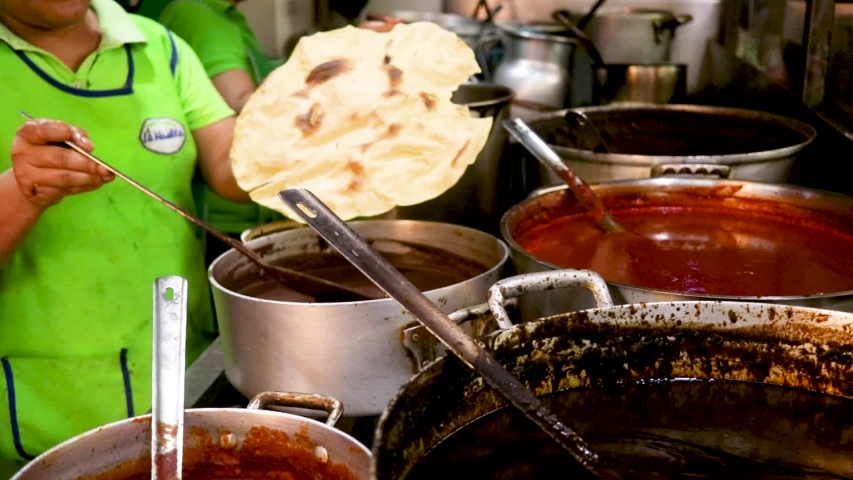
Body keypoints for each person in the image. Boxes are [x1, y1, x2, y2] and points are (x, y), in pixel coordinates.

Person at [0, 0, 248, 475]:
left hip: (181, 375)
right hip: (38, 407)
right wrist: (22, 189)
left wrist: (317, 125)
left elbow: (234, 170)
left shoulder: (161, 46)